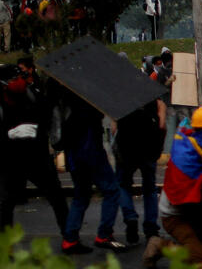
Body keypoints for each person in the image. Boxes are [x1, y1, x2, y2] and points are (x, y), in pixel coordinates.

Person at [143, 103, 202, 268]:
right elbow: (194, 203)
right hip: (176, 216)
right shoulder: (186, 160)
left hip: (196, 209)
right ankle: (161, 246)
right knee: (200, 259)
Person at [0, 59, 69, 236]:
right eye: (14, 79)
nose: (19, 82)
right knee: (6, 203)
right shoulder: (5, 100)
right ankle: (5, 245)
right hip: (11, 158)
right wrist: (9, 134)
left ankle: (70, 237)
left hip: (36, 155)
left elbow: (46, 115)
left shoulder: (31, 93)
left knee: (56, 196)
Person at [60, 89, 124, 254]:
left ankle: (70, 239)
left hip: (74, 154)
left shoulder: (68, 93)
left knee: (81, 195)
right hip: (90, 151)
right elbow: (92, 121)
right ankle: (104, 235)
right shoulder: (87, 95)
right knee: (112, 190)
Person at [113, 94, 166, 246]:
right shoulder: (157, 102)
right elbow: (162, 125)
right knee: (149, 188)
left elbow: (114, 128)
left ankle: (130, 217)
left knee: (123, 184)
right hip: (149, 147)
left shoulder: (120, 100)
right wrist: (159, 146)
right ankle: (151, 228)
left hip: (127, 147)